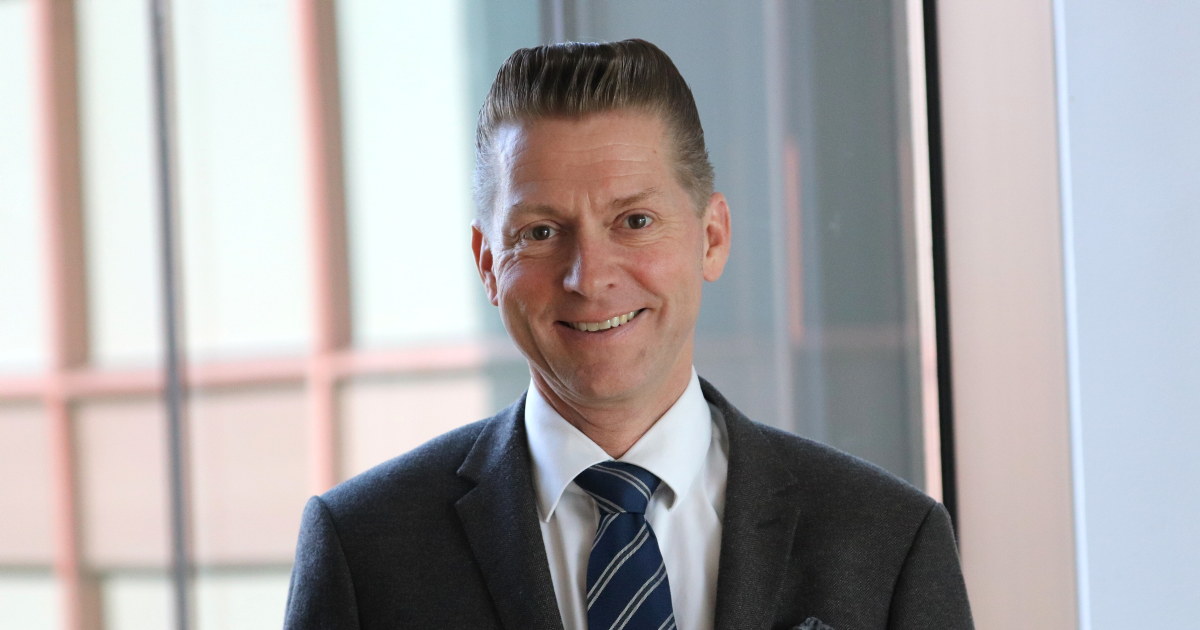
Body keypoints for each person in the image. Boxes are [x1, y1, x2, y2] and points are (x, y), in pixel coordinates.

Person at [284, 39, 973, 630]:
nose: (589, 277)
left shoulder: (888, 541)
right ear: (489, 265)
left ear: (712, 237)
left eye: (634, 221)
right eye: (541, 232)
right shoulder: (364, 549)